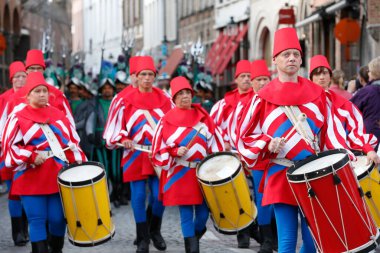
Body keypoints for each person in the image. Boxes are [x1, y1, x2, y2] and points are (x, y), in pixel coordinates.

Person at [237, 27, 351, 253]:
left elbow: (330, 132)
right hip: (282, 174)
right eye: (286, 54)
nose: (292, 58)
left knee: (313, 242)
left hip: (314, 174)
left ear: (301, 59)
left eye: (296, 54)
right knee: (287, 241)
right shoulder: (262, 97)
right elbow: (244, 135)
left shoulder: (317, 94)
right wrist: (267, 143)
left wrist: (345, 160)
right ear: (275, 59)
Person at [1, 72, 86, 253]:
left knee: (58, 219)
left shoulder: (58, 115)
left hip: (57, 176)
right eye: (37, 91)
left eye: (44, 91)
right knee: (37, 220)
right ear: (28, 95)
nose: (41, 94)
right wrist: (31, 155)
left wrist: (80, 166)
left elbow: (72, 142)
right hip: (30, 177)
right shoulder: (17, 117)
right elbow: (10, 148)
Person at [104, 56, 172, 253]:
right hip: (134, 152)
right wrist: (123, 137)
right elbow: (114, 126)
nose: (147, 78)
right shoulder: (123, 99)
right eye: (143, 74)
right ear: (136, 76)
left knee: (160, 196)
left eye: (151, 74)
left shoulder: (165, 98)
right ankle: (142, 237)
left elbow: (173, 122)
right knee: (138, 195)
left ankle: (154, 230)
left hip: (158, 153)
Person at [152, 76, 224, 253]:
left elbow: (215, 142)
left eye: (188, 93)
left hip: (202, 173)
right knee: (185, 213)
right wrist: (175, 151)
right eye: (180, 93)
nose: (185, 96)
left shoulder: (203, 118)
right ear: (174, 98)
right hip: (179, 172)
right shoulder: (165, 121)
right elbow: (157, 148)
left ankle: (196, 234)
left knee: (203, 214)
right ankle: (192, 248)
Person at [211, 59, 262, 248]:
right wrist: (222, 140)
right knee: (239, 193)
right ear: (236, 79)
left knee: (257, 192)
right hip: (231, 156)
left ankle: (257, 228)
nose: (247, 79)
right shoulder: (224, 104)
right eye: (243, 76)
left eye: (250, 76)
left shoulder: (257, 99)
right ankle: (244, 233)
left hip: (252, 154)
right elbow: (213, 126)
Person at [309, 55, 379, 159]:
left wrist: (368, 149)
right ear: (311, 78)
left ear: (330, 76)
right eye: (317, 74)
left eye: (324, 73)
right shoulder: (304, 103)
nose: (321, 77)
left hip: (339, 159)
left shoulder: (343, 103)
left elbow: (355, 131)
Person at [0, 61, 29, 247]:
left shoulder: (31, 95)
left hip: (28, 152)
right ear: (11, 79)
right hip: (9, 152)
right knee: (14, 192)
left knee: (28, 191)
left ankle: (26, 229)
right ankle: (17, 232)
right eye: (17, 77)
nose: (20, 80)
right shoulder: (3, 98)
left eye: (23, 76)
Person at [351, 56, 380, 141]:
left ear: (375, 72)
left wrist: (349, 92)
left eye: (369, 71)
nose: (368, 74)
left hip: (371, 137)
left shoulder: (368, 91)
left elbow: (350, 108)